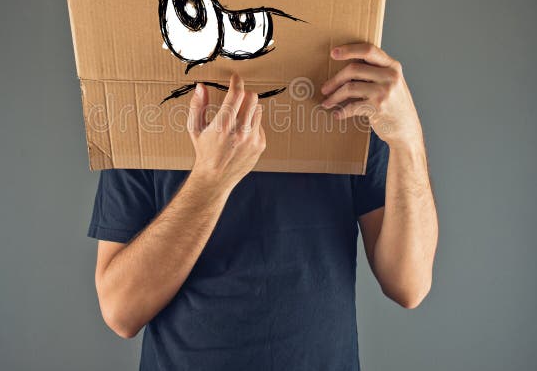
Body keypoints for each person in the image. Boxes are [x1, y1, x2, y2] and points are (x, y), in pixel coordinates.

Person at [88, 43, 438, 370]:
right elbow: (121, 311)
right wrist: (210, 182)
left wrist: (407, 140)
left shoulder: (347, 98)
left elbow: (409, 284)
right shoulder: (151, 107)